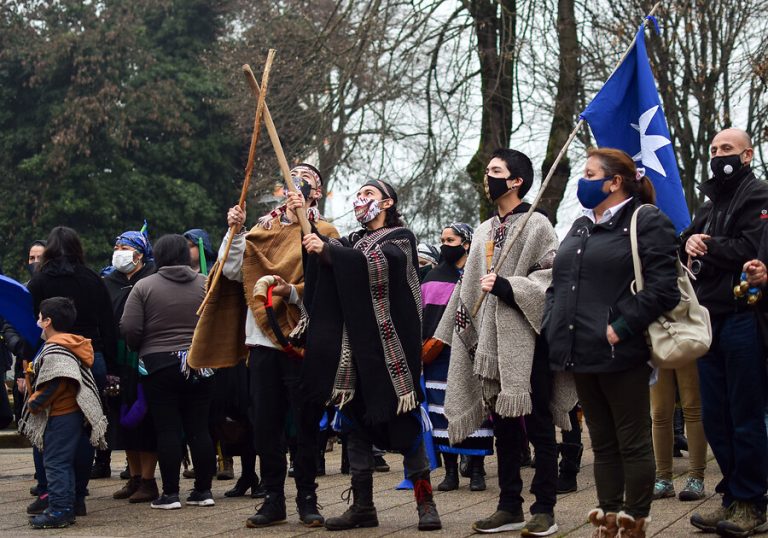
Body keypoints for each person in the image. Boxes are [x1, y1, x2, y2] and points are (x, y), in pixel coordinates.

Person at [188, 163, 339, 528]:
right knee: (265, 424)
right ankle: (273, 497)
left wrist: (292, 292)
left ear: (313, 193)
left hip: (301, 342)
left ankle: (307, 497)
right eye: (288, 183)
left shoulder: (324, 231)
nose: (292, 190)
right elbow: (233, 270)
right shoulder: (261, 228)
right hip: (262, 341)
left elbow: (327, 284)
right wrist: (235, 231)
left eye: (301, 183)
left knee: (303, 424)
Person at [546, 148, 679, 538]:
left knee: (632, 442)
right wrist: (553, 321)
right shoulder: (580, 225)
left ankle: (634, 520)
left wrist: (622, 325)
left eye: (590, 173)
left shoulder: (645, 219)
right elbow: (559, 281)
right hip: (579, 351)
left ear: (614, 182)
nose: (582, 181)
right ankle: (607, 517)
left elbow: (663, 288)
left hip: (622, 350)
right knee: (601, 444)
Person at [440, 149, 573, 537]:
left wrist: (509, 286)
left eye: (497, 171)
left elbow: (552, 278)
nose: (489, 178)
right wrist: (455, 330)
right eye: (488, 172)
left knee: (538, 422)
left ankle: (544, 508)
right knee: (504, 428)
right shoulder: (482, 230)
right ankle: (508, 505)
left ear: (516, 181)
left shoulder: (538, 226)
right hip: (489, 342)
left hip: (527, 339)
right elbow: (467, 288)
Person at [301, 179, 442, 532]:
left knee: (405, 425)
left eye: (369, 195)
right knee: (355, 427)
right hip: (357, 355)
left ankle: (426, 503)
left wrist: (329, 250)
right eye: (359, 194)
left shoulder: (400, 238)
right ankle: (363, 507)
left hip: (391, 355)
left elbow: (379, 263)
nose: (361, 199)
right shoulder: (353, 242)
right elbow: (336, 257)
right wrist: (308, 225)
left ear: (388, 202)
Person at [682, 128, 768, 537]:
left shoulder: (758, 196)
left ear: (747, 155)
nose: (718, 155)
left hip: (741, 319)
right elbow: (684, 245)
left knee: (745, 416)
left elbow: (749, 250)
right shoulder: (709, 204)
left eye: (727, 149)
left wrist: (708, 246)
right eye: (714, 149)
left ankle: (752, 502)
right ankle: (732, 496)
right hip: (707, 322)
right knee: (716, 417)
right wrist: (691, 242)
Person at [120, 234, 214, 510]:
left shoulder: (144, 286)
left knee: (167, 429)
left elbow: (130, 328)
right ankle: (203, 490)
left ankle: (171, 494)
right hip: (200, 362)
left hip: (158, 365)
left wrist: (139, 346)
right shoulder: (205, 283)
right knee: (200, 427)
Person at [18, 297, 107, 529]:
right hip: (72, 413)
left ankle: (59, 510)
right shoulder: (69, 343)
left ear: (47, 321)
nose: (37, 322)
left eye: (39, 317)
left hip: (61, 414)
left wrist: (35, 402)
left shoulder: (56, 348)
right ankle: (71, 505)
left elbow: (58, 380)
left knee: (56, 463)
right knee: (68, 461)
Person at [421, 222, 493, 492]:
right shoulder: (432, 277)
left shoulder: (479, 275)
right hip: (438, 355)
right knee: (442, 413)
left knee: (477, 408)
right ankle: (450, 471)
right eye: (442, 240)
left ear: (466, 243)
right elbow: (425, 317)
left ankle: (477, 470)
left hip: (472, 352)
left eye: (450, 240)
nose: (444, 245)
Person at [103, 231, 159, 503]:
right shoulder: (108, 281)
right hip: (118, 359)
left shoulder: (151, 277)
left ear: (139, 253)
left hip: (144, 356)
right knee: (124, 418)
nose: (118, 251)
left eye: (124, 247)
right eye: (116, 246)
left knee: (145, 419)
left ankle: (149, 480)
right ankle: (134, 476)